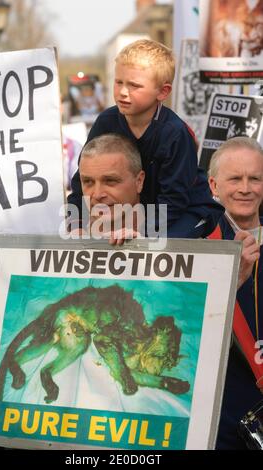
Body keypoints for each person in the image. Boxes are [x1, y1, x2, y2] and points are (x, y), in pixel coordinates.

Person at [68, 39, 223, 238]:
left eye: (134, 86)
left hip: (187, 210)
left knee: (162, 247)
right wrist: (77, 223)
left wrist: (141, 230)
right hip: (143, 210)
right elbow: (83, 178)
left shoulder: (175, 133)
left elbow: (174, 198)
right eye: (119, 82)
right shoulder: (105, 121)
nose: (123, 92)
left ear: (163, 91)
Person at [207, 137, 263, 450]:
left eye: (255, 178)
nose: (246, 188)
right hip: (225, 411)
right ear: (214, 185)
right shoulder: (196, 246)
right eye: (235, 178)